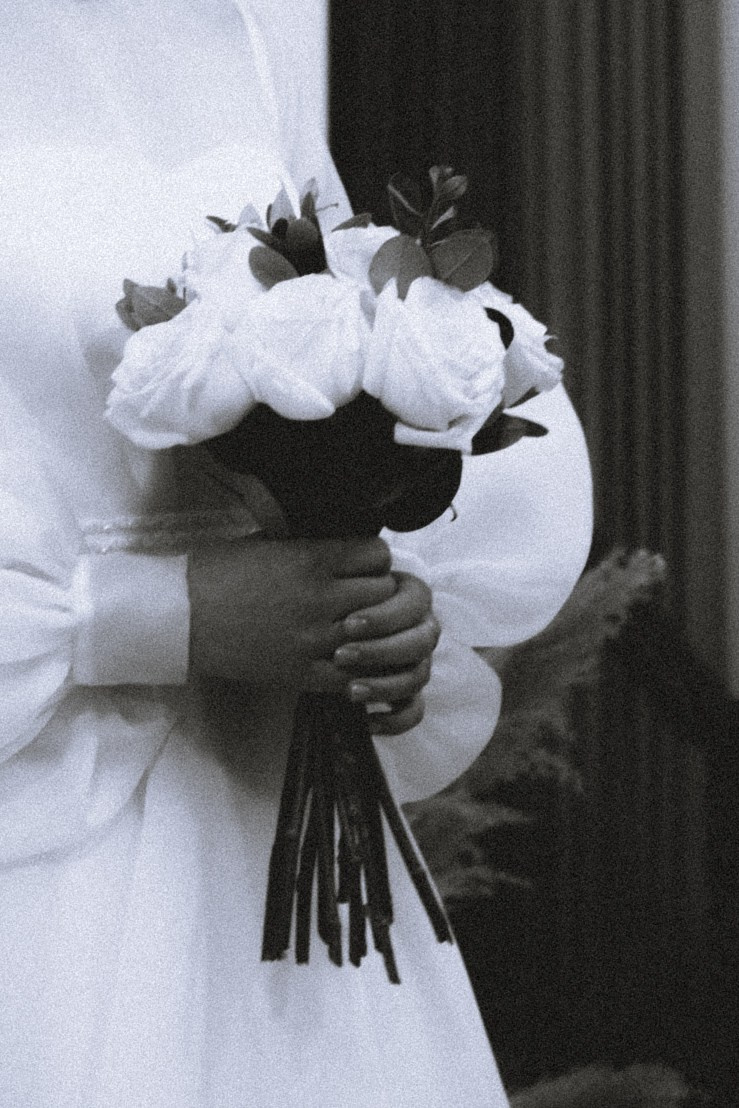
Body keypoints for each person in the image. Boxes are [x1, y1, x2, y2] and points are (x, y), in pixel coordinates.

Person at [0, 2, 592, 1105]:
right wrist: (167, 615)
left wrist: (374, 598)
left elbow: (320, 324)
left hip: (265, 820)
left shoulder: (238, 25)